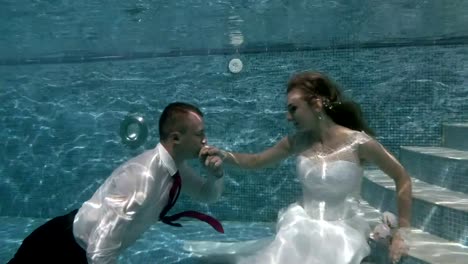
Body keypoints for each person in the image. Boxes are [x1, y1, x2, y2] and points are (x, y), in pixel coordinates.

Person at [185, 71, 412, 264]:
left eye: (293, 108)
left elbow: (402, 178)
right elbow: (255, 161)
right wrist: (224, 155)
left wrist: (402, 232)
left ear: (316, 104)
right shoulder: (296, 142)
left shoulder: (358, 142)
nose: (288, 117)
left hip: (343, 230)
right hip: (301, 223)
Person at [9, 102, 226, 264]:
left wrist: (214, 175)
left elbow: (207, 195)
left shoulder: (174, 169)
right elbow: (99, 251)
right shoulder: (141, 177)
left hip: (78, 249)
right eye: (200, 134)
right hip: (57, 248)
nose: (205, 140)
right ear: (176, 138)